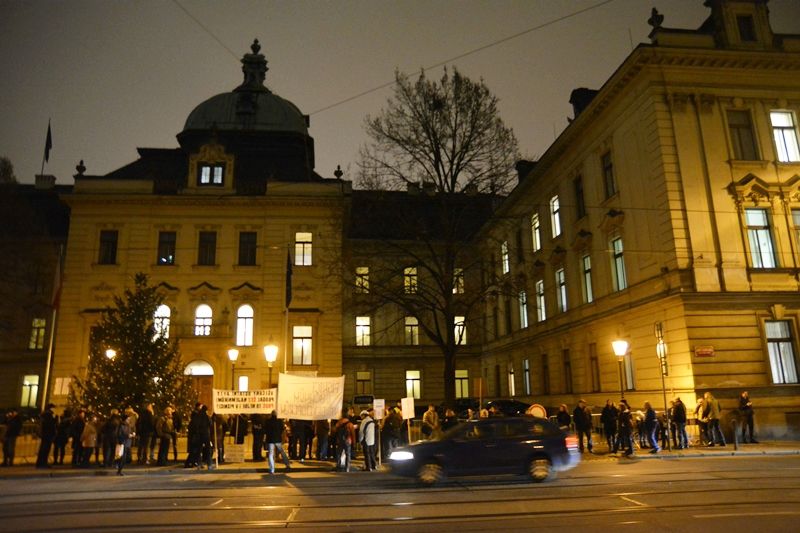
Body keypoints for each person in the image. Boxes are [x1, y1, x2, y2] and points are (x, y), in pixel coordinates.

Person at [265, 410, 291, 474]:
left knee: (271, 454)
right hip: (277, 439)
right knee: (282, 452)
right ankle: (287, 464)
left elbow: (265, 429)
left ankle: (272, 469)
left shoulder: (268, 421)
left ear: (271, 414)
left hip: (270, 439)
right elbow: (282, 429)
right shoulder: (279, 421)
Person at [36, 403, 57, 468]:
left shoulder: (44, 415)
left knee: (43, 449)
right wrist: (55, 420)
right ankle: (43, 463)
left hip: (45, 435)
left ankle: (40, 463)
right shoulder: (49, 415)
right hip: (48, 435)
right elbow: (50, 426)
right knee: (45, 449)